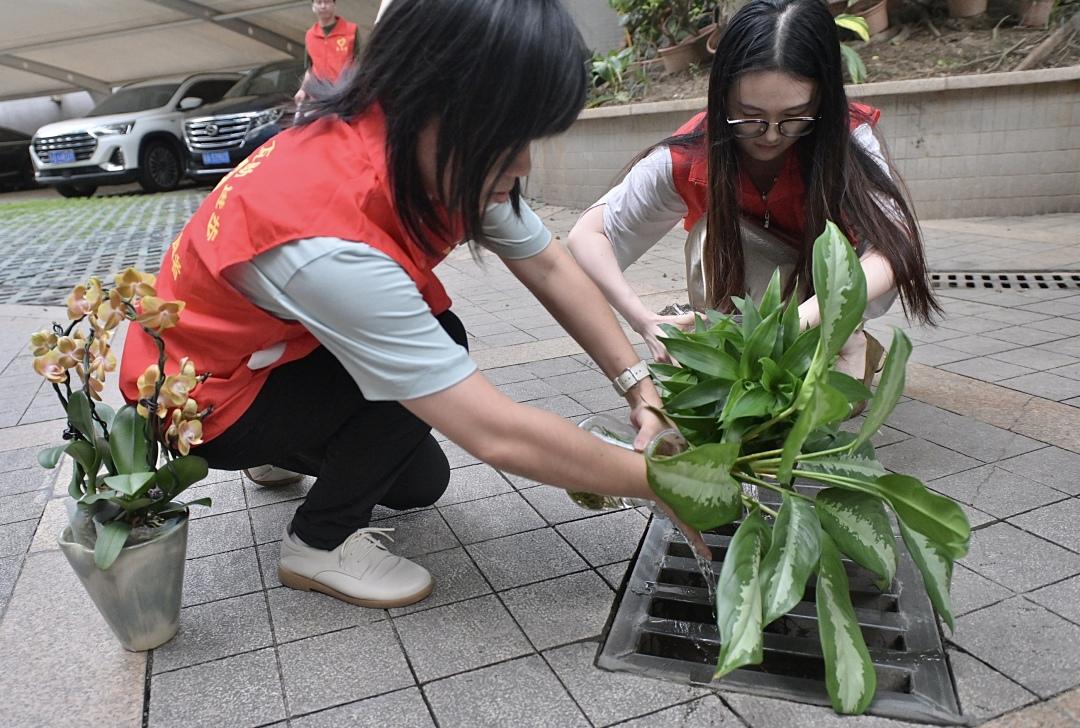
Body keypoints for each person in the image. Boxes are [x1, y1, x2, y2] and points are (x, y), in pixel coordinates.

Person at [119, 0, 702, 610]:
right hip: (203, 403)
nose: (523, 163)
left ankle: (278, 454)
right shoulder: (330, 236)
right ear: (427, 98)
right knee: (442, 339)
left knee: (420, 483)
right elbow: (494, 432)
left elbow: (551, 266)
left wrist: (641, 392)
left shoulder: (425, 144)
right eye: (508, 135)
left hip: (263, 356)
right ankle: (316, 543)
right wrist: (662, 483)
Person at [568, 0, 940, 382]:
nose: (772, 136)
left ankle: (848, 337)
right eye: (750, 116)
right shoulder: (689, 155)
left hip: (822, 297)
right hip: (750, 296)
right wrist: (644, 321)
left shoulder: (847, 139)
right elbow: (587, 235)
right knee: (709, 233)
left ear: (822, 100)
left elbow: (897, 245)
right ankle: (807, 344)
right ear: (722, 96)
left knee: (831, 398)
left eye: (794, 117)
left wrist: (802, 320)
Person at [293, 0, 361, 107]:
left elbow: (360, 63)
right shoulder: (310, 35)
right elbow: (311, 69)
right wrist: (302, 90)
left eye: (327, 2)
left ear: (334, 5)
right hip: (319, 99)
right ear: (313, 6)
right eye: (319, 2)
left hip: (344, 96)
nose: (323, 6)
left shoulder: (351, 30)